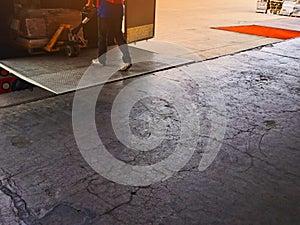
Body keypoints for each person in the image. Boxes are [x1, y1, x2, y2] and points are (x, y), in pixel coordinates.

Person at [85, 0, 132, 71]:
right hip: (118, 8)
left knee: (102, 35)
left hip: (105, 8)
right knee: (118, 34)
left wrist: (89, 3)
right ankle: (127, 60)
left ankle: (101, 60)